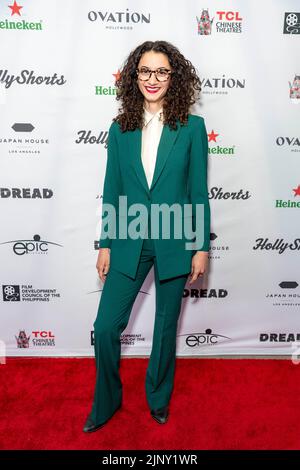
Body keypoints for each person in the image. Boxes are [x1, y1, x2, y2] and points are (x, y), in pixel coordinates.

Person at [83, 40, 210, 433]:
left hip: (176, 240)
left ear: (174, 77)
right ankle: (107, 402)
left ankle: (157, 399)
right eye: (144, 71)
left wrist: (201, 246)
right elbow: (112, 187)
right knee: (105, 327)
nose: (152, 79)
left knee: (165, 327)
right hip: (127, 237)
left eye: (161, 71)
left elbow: (197, 192)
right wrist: (106, 241)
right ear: (133, 76)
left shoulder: (191, 128)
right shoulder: (120, 128)